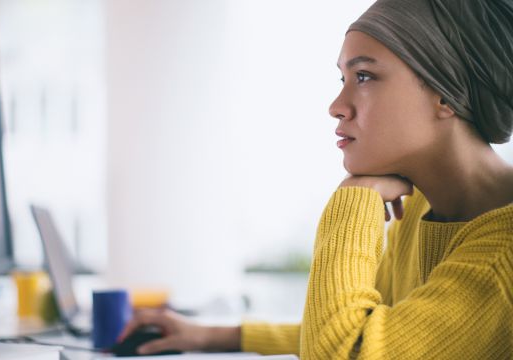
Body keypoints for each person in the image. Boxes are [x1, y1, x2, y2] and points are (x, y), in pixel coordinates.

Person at [118, 0, 513, 357]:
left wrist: (354, 197)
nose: (336, 107)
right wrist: (210, 336)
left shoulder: (502, 255)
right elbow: (370, 329)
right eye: (342, 80)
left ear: (446, 93)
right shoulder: (424, 207)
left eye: (363, 76)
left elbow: (341, 351)